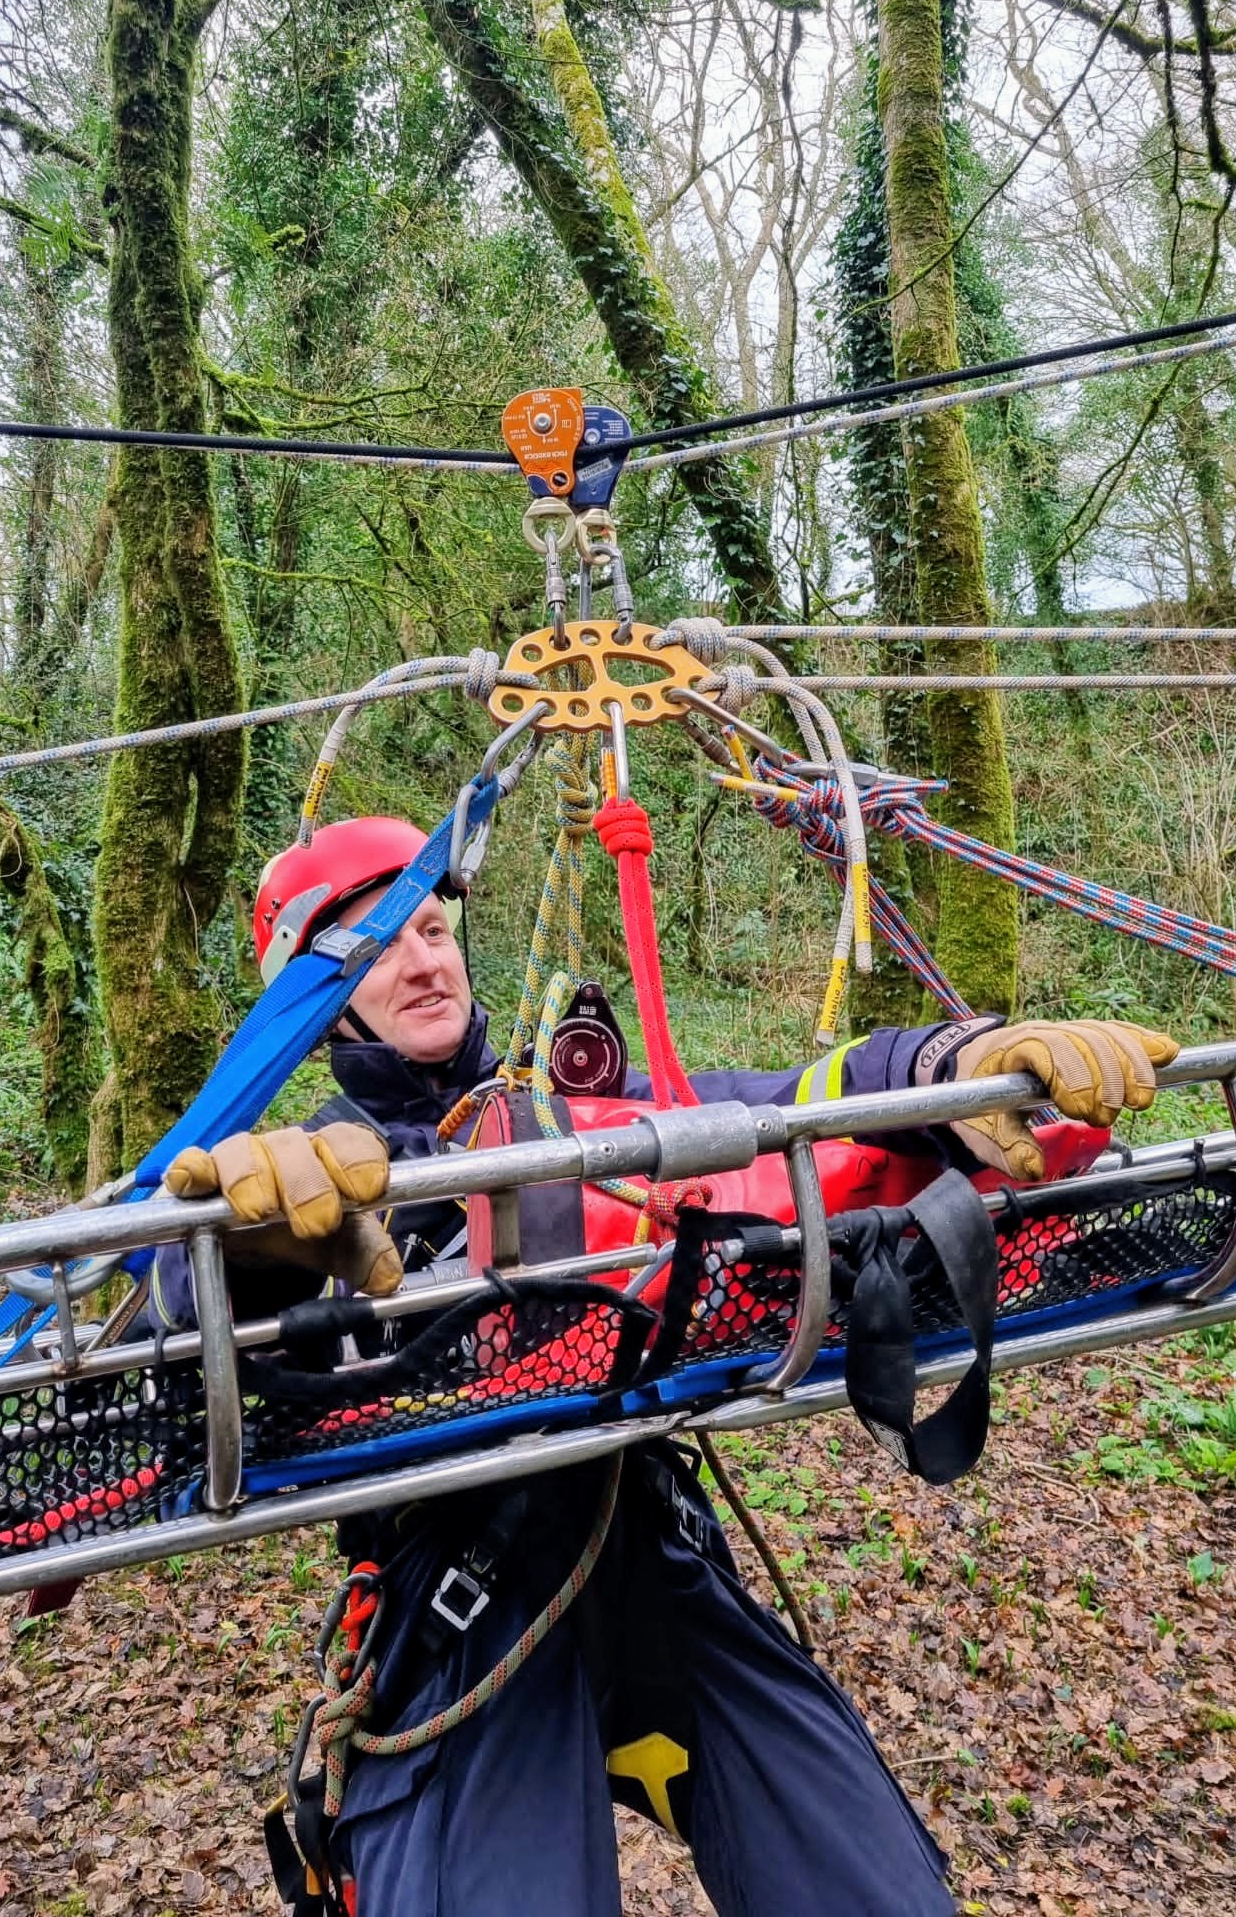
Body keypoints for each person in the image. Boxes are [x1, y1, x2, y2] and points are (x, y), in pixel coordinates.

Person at [156, 816, 1177, 1917]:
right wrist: (240, 1259)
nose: (422, 956)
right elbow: (159, 1336)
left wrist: (951, 1071)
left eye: (434, 927)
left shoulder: (567, 1109)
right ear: (315, 997)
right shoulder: (298, 1164)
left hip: (649, 1538)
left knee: (875, 1887)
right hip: (453, 1593)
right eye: (374, 941)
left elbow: (787, 1110)